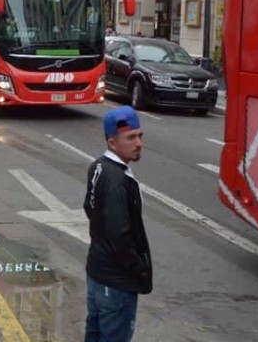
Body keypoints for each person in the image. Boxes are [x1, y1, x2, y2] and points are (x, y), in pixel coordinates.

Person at [84, 106, 151, 342]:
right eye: (131, 138)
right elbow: (119, 234)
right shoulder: (117, 181)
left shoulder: (99, 166)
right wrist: (138, 267)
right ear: (112, 143)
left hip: (97, 274)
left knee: (94, 334)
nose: (139, 143)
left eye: (140, 135)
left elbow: (89, 208)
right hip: (116, 282)